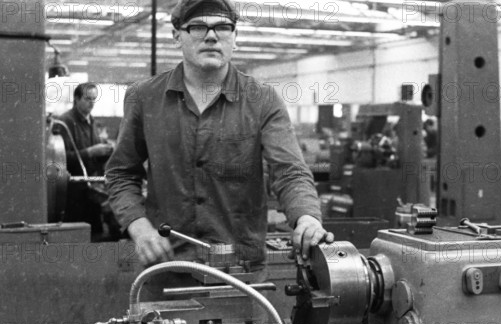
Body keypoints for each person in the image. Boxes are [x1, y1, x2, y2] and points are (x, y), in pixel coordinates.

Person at [105, 0, 333, 280]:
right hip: (167, 270)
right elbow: (120, 173)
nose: (212, 36)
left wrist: (306, 216)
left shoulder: (262, 100)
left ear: (235, 37)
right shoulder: (144, 98)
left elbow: (289, 171)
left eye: (223, 27)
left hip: (241, 274)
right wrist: (139, 227)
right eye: (198, 26)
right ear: (177, 35)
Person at [53, 82, 114, 239]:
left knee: (95, 233)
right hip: (73, 190)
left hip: (92, 190)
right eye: (88, 99)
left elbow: (95, 158)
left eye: (94, 99)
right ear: (76, 99)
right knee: (76, 236)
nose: (92, 103)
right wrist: (90, 151)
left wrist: (106, 150)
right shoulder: (64, 122)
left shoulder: (92, 122)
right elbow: (61, 159)